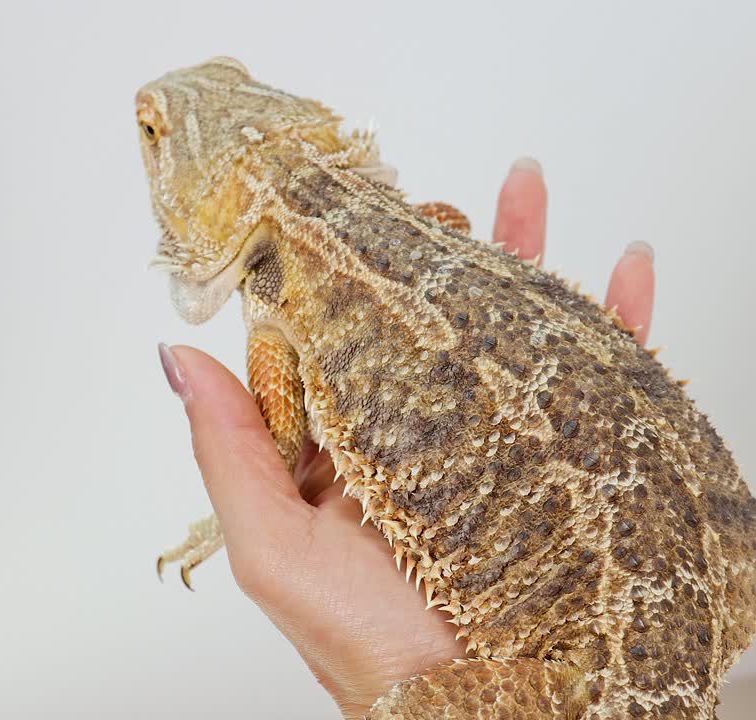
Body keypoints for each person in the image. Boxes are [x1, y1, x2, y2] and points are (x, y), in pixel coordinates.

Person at [157, 158, 656, 719]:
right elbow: (450, 219)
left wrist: (220, 520)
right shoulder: (376, 217)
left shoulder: (278, 309)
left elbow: (279, 443)